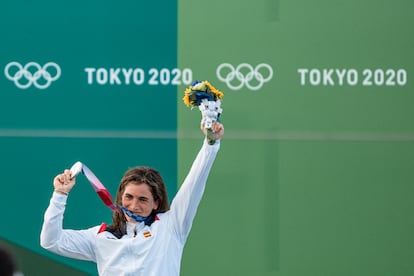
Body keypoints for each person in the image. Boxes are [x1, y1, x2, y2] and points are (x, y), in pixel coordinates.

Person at [40, 120, 224, 276]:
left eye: (143, 199)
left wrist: (210, 144)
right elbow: (51, 241)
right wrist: (60, 194)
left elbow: (195, 183)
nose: (134, 205)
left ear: (156, 203)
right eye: (128, 197)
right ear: (120, 198)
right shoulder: (100, 237)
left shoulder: (172, 226)